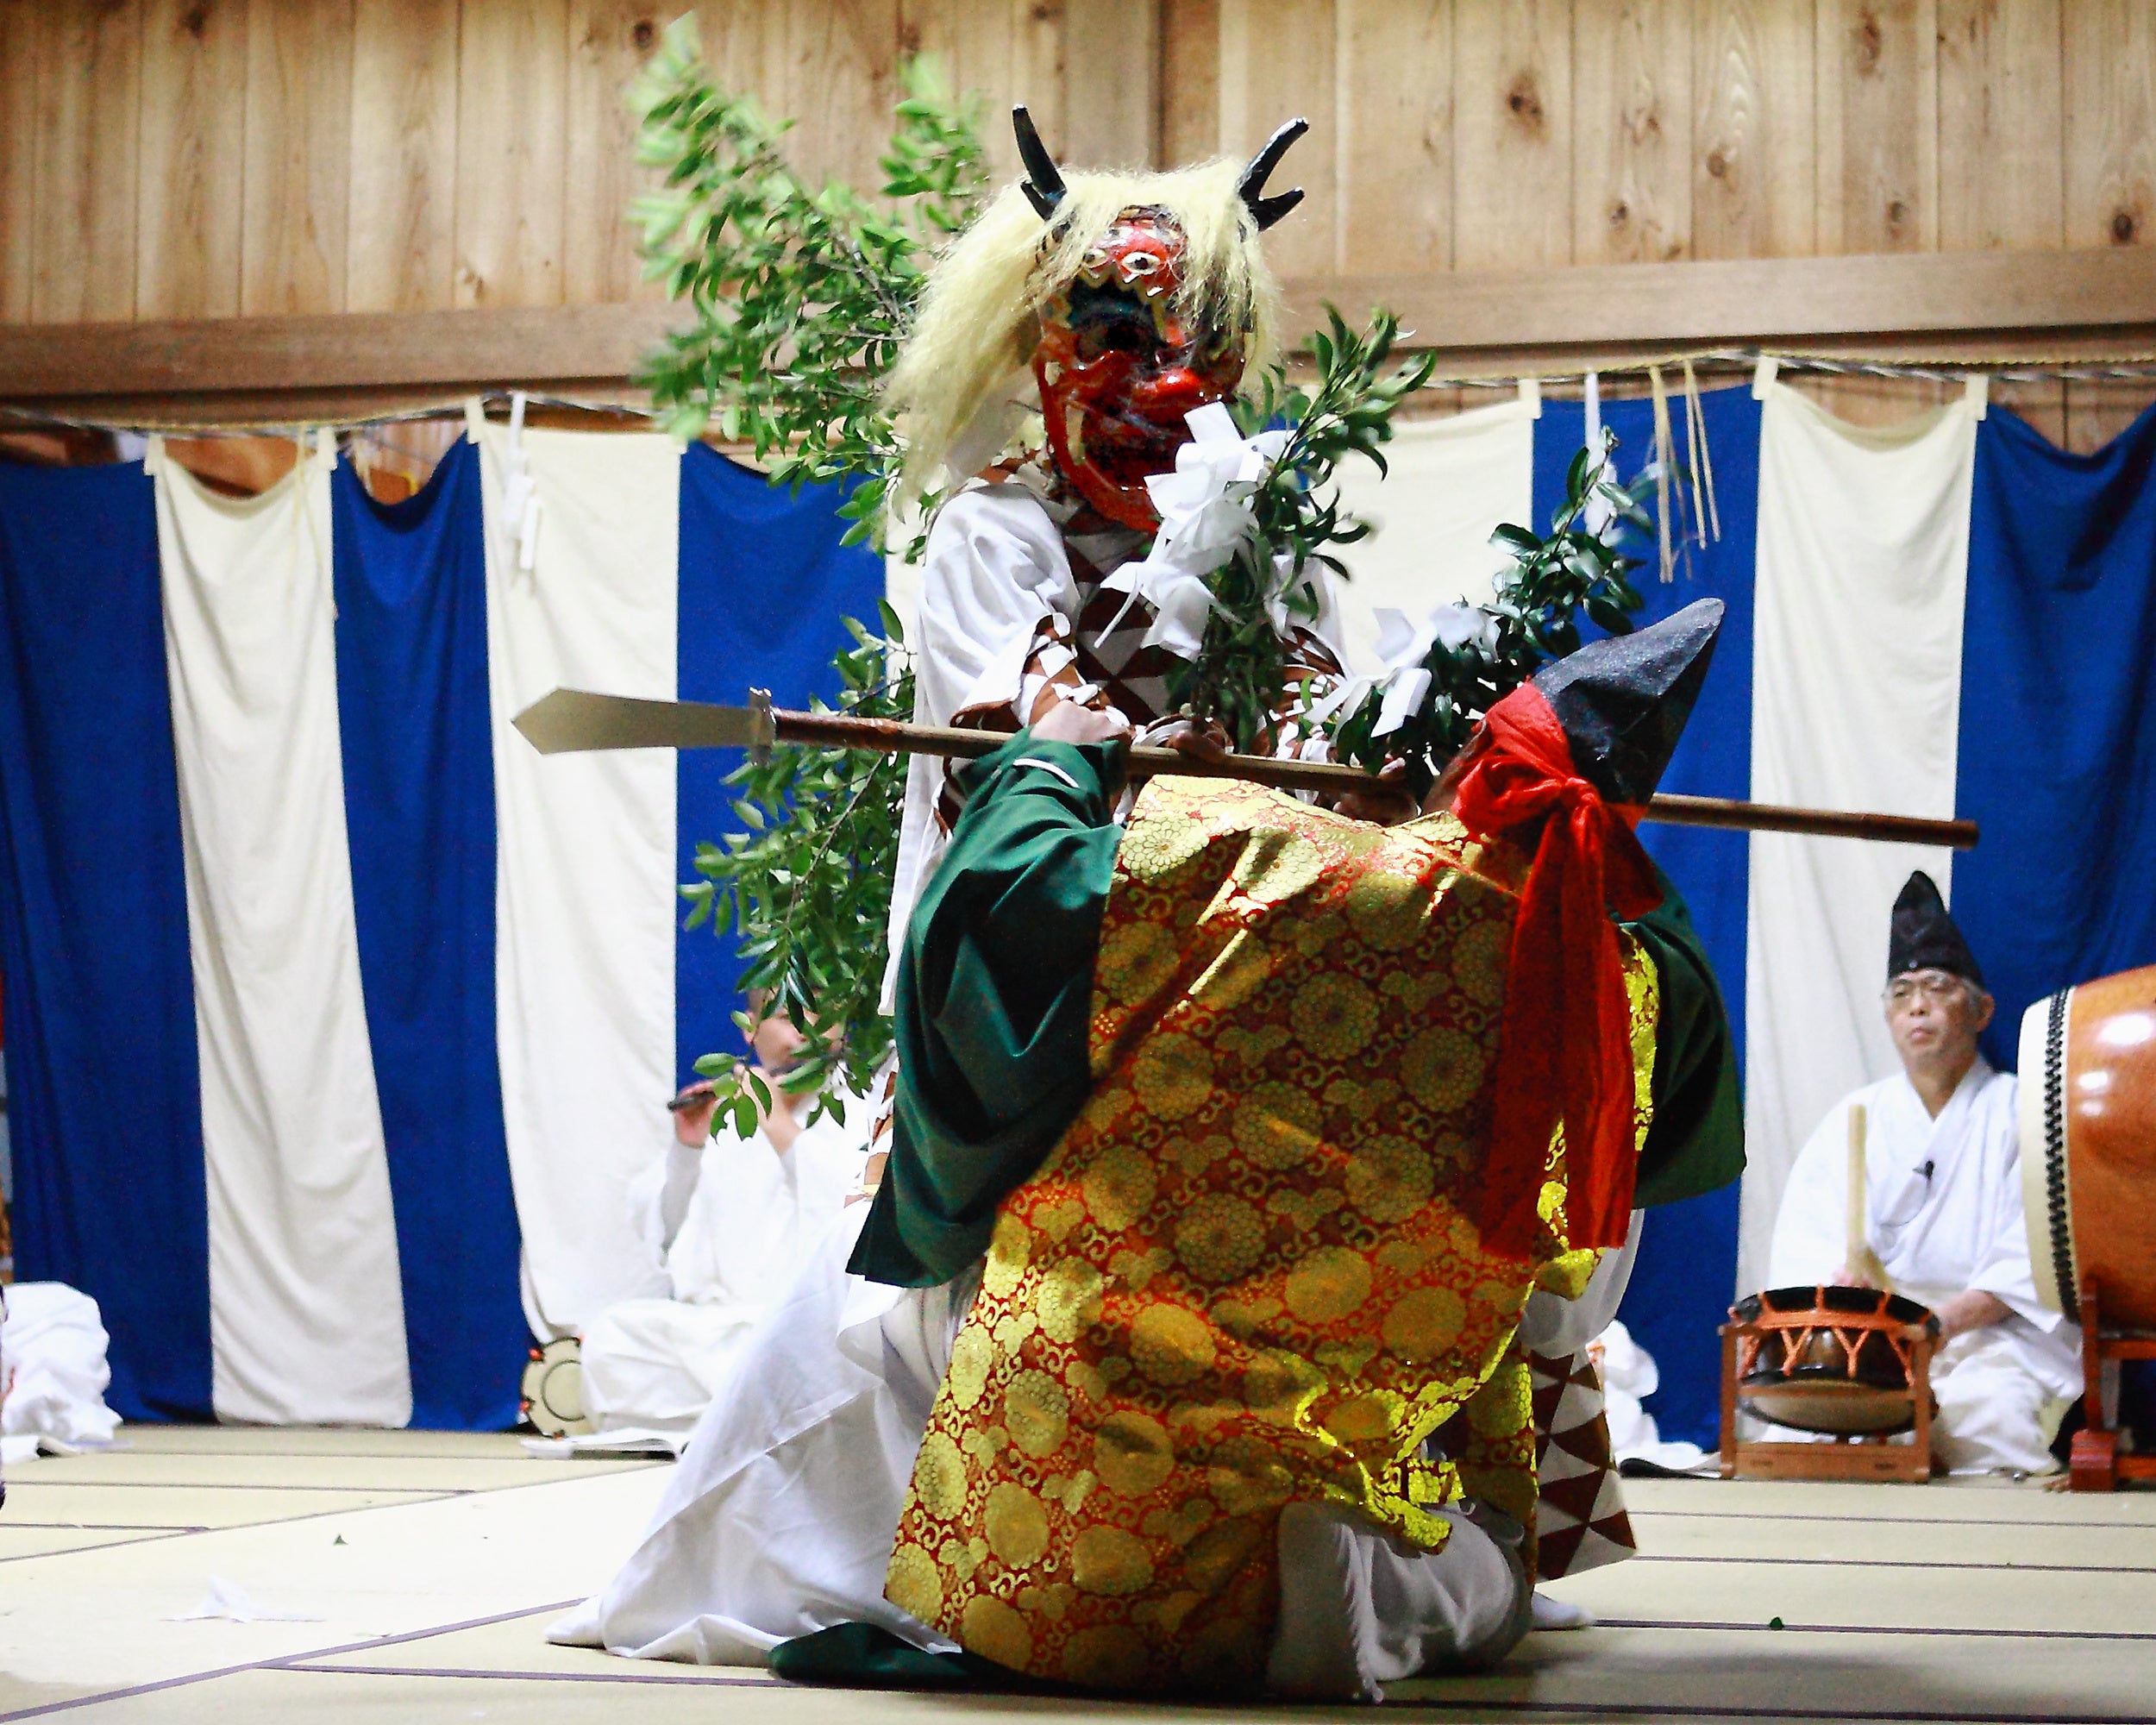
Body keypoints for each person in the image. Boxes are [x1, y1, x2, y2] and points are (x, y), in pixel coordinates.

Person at [554, 601, 1741, 1700]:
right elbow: (1569, 1286)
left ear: (1471, 761)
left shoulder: (1263, 857)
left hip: (1073, 1439)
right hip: (1328, 1426)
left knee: (851, 1296)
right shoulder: (1622, 1002)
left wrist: (1050, 763)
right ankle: (1348, 1593)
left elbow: (998, 915)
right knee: (1495, 1579)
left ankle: (759, 1561)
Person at [1767, 871, 2080, 1476]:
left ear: (1982, 1010)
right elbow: (1808, 1248)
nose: (1917, 1005)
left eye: (1938, 987)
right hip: (1875, 1342)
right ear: (1888, 1015)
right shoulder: (1854, 1118)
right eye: (1902, 992)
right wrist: (1848, 1305)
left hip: (1991, 1337)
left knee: (1981, 1418)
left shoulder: (2022, 1114)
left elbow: (2034, 1260)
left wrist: (1938, 1327)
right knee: (1816, 1421)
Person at [577, 1002, 869, 1435]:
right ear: (751, 1030)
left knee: (842, 1361)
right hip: (725, 1331)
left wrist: (777, 1121)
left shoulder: (866, 1105)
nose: (806, 1030)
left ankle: (740, 1419)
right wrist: (688, 1150)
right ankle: (760, 1417)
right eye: (787, 1017)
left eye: (821, 1015)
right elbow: (667, 1237)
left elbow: (854, 1219)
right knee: (611, 1340)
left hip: (811, 1330)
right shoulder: (729, 1114)